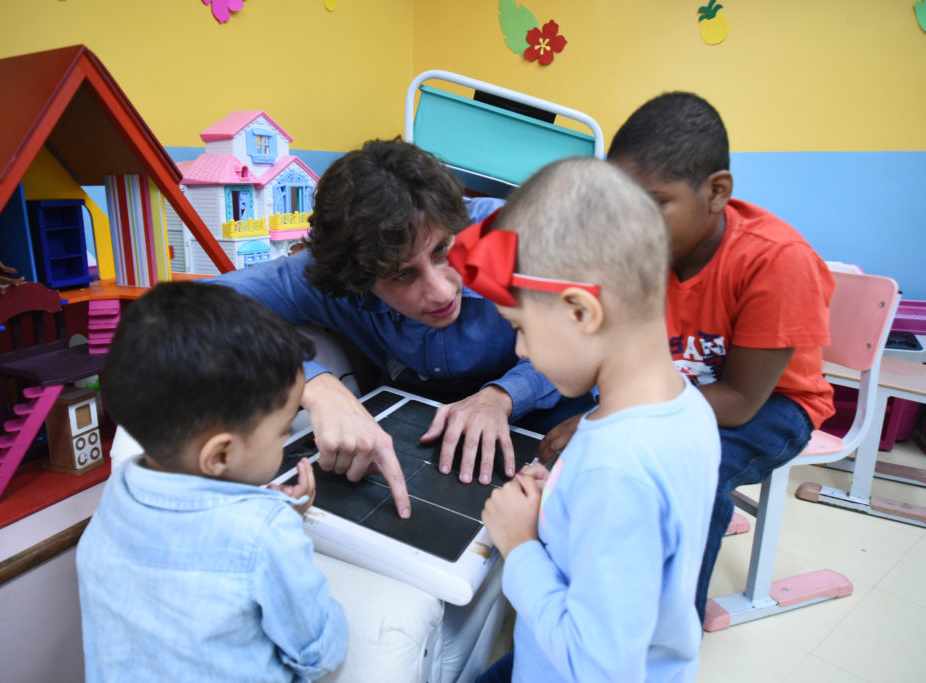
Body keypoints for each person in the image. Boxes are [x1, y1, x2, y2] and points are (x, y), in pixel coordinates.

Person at [539, 91, 836, 624]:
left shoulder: (777, 261)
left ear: (717, 192)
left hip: (771, 405)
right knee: (551, 426)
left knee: (689, 465)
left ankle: (661, 639)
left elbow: (741, 400)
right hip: (672, 388)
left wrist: (602, 419)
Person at [212, 138, 591, 517]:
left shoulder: (517, 235)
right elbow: (199, 305)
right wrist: (313, 382)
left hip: (543, 409)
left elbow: (585, 331)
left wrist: (503, 396)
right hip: (411, 416)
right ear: (356, 279)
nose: (442, 290)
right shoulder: (338, 270)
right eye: (402, 274)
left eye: (442, 250)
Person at [457, 158, 720, 681]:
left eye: (521, 327)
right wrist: (559, 503)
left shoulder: (615, 468)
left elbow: (597, 665)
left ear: (581, 312)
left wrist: (521, 545)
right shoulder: (686, 406)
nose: (521, 350)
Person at [76, 282, 347, 682]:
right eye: (283, 431)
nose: (287, 441)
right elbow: (316, 652)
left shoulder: (117, 494)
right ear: (220, 455)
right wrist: (278, 520)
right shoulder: (267, 534)